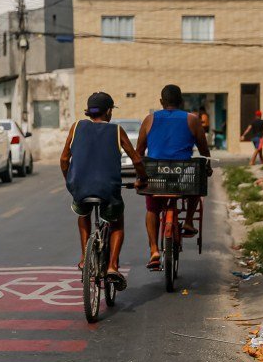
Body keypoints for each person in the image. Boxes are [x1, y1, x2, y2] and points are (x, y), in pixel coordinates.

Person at [60, 92, 146, 289]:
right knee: (117, 223)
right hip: (108, 189)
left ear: (89, 111)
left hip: (80, 187)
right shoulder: (116, 130)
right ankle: (113, 267)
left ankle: (84, 258)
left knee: (83, 212)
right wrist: (142, 179)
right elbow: (137, 160)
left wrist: (70, 182)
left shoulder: (76, 127)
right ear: (109, 111)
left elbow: (64, 160)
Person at [136, 84, 211, 270]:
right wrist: (207, 166)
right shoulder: (192, 120)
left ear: (161, 102)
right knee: (196, 181)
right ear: (181, 102)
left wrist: (140, 174)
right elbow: (204, 150)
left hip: (156, 175)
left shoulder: (149, 119)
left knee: (152, 209)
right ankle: (187, 221)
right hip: (182, 175)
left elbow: (139, 151)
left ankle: (154, 249)